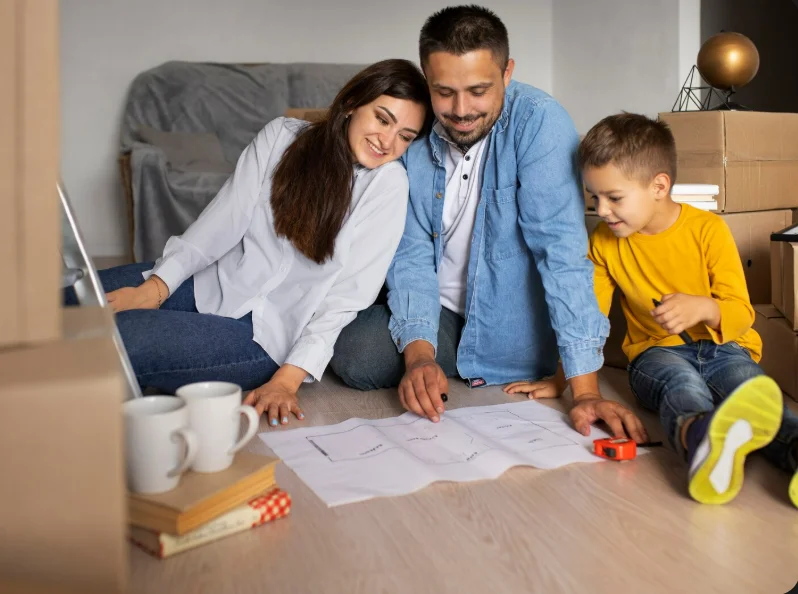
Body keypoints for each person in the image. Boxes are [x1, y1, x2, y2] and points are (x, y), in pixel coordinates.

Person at [330, 5, 648, 443]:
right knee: (355, 354)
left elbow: (561, 253)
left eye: (478, 90)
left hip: (512, 323)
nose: (461, 110)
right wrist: (420, 357)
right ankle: (438, 360)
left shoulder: (540, 122)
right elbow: (410, 253)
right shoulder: (412, 129)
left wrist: (586, 392)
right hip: (440, 312)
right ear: (426, 78)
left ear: (507, 72)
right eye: (444, 92)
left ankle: (483, 362)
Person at [68, 59, 431, 428]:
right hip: (213, 284)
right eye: (382, 119)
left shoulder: (388, 185)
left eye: (405, 136)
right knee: (72, 297)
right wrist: (155, 288)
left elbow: (347, 298)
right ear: (352, 103)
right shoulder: (282, 136)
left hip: (262, 338)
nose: (388, 142)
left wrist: (287, 380)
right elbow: (222, 221)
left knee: (119, 337)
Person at [514, 112, 798, 507]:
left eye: (614, 198)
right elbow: (587, 319)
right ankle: (702, 442)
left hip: (726, 348)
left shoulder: (708, 230)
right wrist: (563, 379)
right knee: (682, 387)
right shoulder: (604, 242)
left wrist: (704, 308)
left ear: (659, 186)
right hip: (655, 354)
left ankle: (792, 449)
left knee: (749, 387)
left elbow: (741, 312)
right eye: (594, 197)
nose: (602, 210)